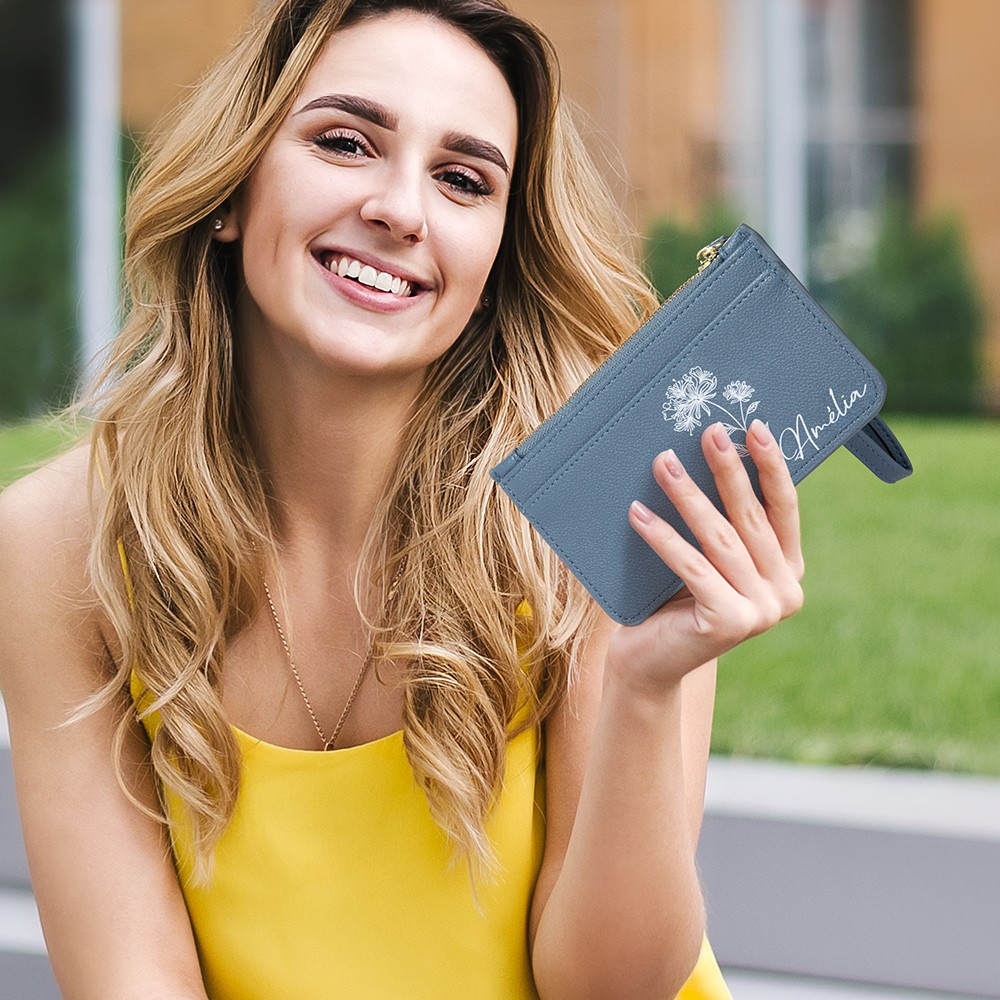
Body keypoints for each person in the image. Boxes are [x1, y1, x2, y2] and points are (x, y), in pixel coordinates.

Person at [0, 1, 804, 997]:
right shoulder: (59, 544)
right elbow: (134, 980)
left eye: (463, 179)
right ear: (231, 190)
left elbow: (608, 988)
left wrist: (646, 686)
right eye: (345, 142)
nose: (401, 208)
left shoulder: (596, 504)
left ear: (494, 261)